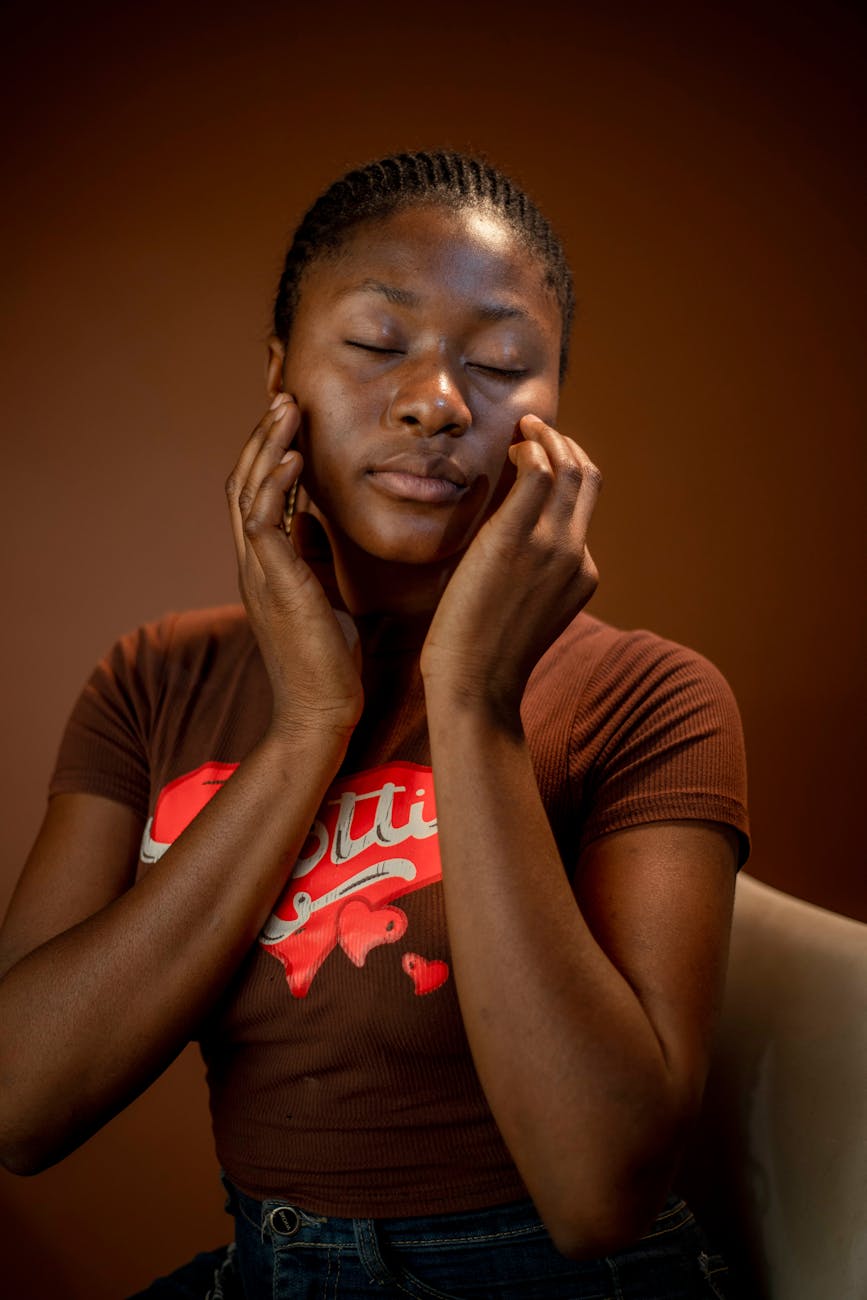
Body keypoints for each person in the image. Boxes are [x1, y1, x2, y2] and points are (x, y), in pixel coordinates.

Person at [0, 151, 748, 1298]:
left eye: (500, 364)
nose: (437, 401)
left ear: (553, 417)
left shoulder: (652, 696)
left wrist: (472, 700)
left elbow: (600, 1193)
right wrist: (310, 721)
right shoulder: (155, 679)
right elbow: (21, 1103)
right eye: (375, 342)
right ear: (280, 374)